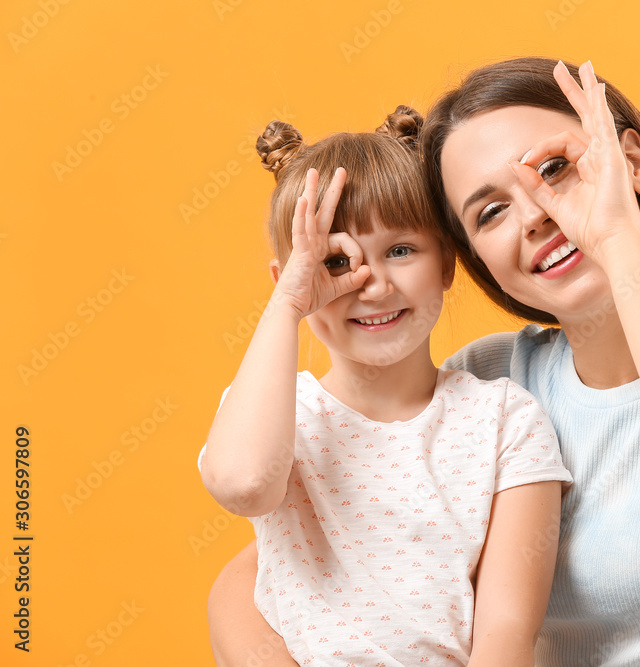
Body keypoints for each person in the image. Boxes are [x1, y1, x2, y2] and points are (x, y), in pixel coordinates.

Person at [208, 59, 640, 666]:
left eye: (555, 170)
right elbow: (270, 570)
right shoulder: (491, 382)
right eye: (490, 212)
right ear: (470, 262)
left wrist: (615, 235)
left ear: (633, 162)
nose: (536, 214)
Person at [198, 107, 572, 666]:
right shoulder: (275, 410)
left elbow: (507, 636)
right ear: (289, 281)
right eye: (334, 260)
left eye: (400, 250)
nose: (372, 284)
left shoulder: (503, 420)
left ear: (447, 262)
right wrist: (288, 307)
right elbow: (245, 485)